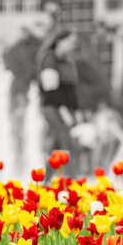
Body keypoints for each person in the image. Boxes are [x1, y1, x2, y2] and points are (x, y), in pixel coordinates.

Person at [37, 29, 82, 180]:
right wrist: (64, 111)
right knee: (67, 144)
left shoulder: (69, 62)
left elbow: (72, 90)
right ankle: (70, 183)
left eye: (73, 42)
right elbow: (51, 91)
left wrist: (76, 111)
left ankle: (45, 183)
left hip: (66, 109)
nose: (72, 45)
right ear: (59, 41)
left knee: (55, 148)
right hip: (52, 108)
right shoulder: (49, 59)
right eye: (69, 41)